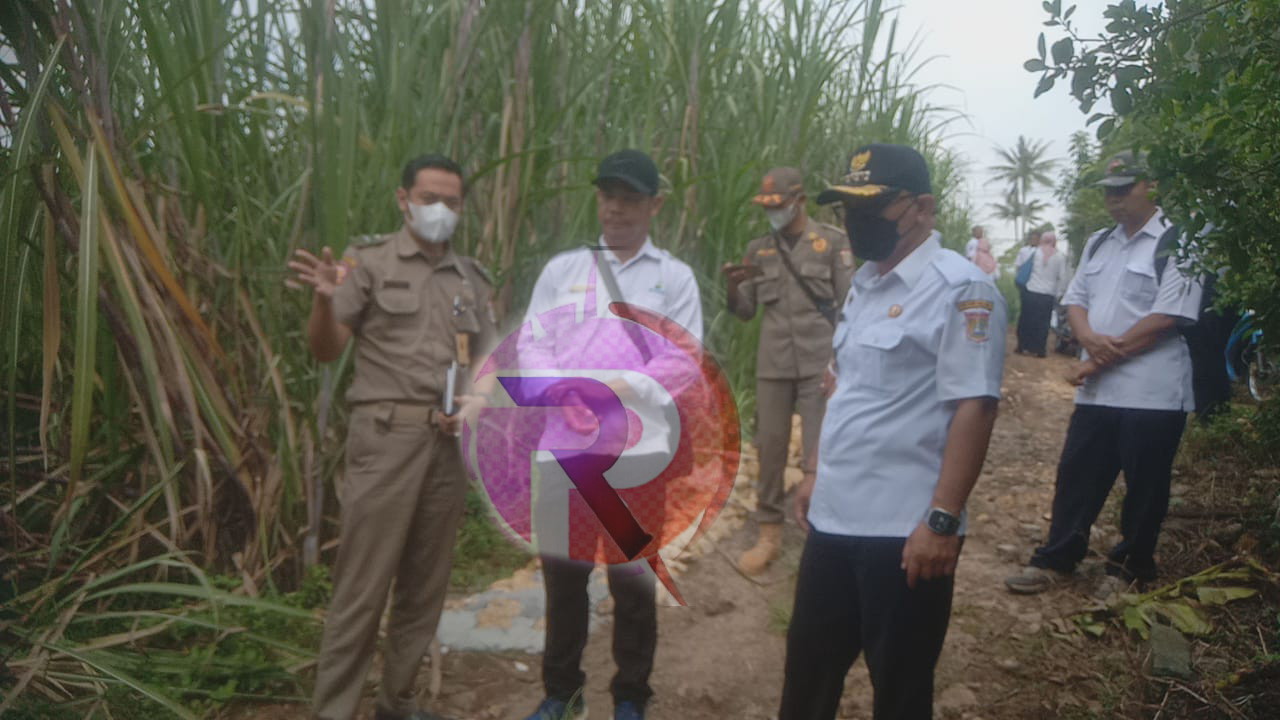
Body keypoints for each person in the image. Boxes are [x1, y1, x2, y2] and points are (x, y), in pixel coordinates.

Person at [780, 143, 1006, 720]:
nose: (856, 220)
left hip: (904, 535)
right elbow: (845, 385)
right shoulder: (865, 283)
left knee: (900, 691)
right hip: (833, 521)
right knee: (806, 680)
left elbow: (975, 407)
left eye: (871, 207)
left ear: (921, 208)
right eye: (848, 208)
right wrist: (814, 471)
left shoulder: (961, 289)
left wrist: (942, 520)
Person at [289, 154, 497, 720]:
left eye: (452, 202)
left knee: (425, 585)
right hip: (385, 440)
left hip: (447, 446)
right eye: (429, 198)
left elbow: (489, 359)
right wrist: (323, 300)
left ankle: (398, 701)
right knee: (363, 584)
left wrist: (478, 401)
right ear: (403, 200)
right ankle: (334, 710)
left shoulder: (471, 279)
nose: (440, 210)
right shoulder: (369, 263)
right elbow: (326, 348)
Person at [518, 149, 703, 720]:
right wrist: (562, 393)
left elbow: (683, 360)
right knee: (564, 582)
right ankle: (562, 693)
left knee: (633, 584)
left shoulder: (673, 278)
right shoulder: (564, 271)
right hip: (564, 450)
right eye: (607, 196)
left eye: (629, 199)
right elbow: (532, 343)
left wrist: (614, 390)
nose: (616, 209)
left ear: (654, 205)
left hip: (638, 454)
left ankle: (630, 697)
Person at [1004, 150, 1203, 598]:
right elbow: (1076, 299)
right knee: (1077, 475)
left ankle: (1129, 567)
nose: (1115, 199)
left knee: (1145, 486)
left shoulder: (1178, 242)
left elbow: (1167, 316)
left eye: (1124, 189)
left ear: (1151, 186)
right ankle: (1057, 557)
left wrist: (1095, 358)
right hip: (1098, 392)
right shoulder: (1099, 242)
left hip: (1152, 391)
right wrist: (1087, 337)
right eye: (1109, 191)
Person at [722, 167, 853, 576]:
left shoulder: (831, 243)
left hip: (819, 361)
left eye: (778, 205)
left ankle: (822, 532)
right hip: (774, 362)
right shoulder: (759, 250)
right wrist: (733, 287)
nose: (772, 212)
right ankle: (770, 531)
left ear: (800, 201)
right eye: (767, 206)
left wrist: (841, 362)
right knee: (771, 446)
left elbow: (850, 306)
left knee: (821, 447)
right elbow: (746, 311)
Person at [1015, 230, 1070, 357]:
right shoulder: (1060, 257)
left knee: (1026, 320)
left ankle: (1022, 346)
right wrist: (1059, 293)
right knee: (1043, 322)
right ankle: (1039, 349)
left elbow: (1025, 269)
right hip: (1047, 295)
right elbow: (1062, 277)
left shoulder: (1036, 253)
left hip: (1031, 291)